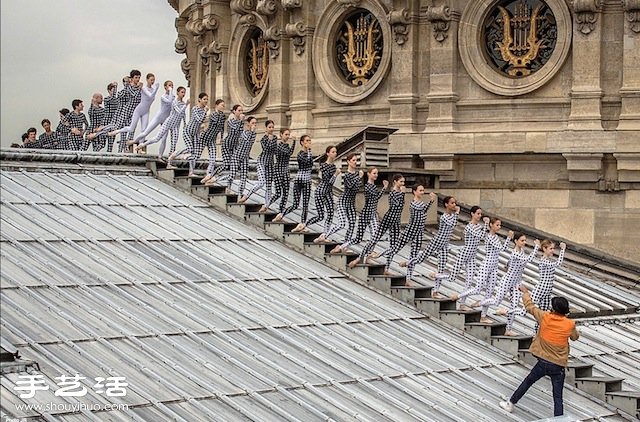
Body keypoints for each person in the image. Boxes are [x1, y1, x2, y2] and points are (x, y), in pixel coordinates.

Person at [499, 284, 579, 417]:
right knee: (557, 397)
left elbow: (530, 307)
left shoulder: (545, 317)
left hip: (543, 362)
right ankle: (558, 419)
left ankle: (510, 403)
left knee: (528, 381)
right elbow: (575, 337)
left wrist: (525, 292)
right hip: (558, 365)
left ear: (553, 308)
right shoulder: (570, 324)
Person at [480, 233, 540, 335]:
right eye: (522, 240)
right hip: (507, 280)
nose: (524, 242)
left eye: (525, 240)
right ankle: (481, 303)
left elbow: (513, 262)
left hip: (517, 282)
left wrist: (507, 265)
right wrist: (536, 247)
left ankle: (508, 329)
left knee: (514, 305)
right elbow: (528, 259)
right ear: (516, 241)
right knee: (496, 301)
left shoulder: (521, 251)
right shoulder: (515, 252)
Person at [453, 218, 513, 314]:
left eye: (499, 225)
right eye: (497, 225)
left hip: (494, 265)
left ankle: (483, 315)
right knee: (478, 289)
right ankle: (458, 296)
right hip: (487, 264)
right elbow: (501, 248)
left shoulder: (496, 237)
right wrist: (509, 238)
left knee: (490, 291)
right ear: (491, 225)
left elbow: (500, 250)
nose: (499, 227)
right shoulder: (489, 237)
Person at [403, 195, 460, 290]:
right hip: (437, 241)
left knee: (441, 266)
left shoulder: (452, 216)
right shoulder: (444, 217)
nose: (454, 205)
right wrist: (457, 213)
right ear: (446, 204)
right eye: (452, 203)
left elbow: (453, 224)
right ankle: (408, 262)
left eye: (455, 203)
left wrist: (455, 214)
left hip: (445, 243)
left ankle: (436, 290)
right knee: (421, 258)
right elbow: (452, 224)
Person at [348, 174, 405, 268]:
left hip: (396, 220)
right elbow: (396, 205)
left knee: (394, 245)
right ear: (395, 182)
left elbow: (401, 206)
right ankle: (359, 258)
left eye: (403, 182)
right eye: (401, 181)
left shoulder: (399, 192)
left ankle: (385, 266)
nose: (403, 184)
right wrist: (402, 194)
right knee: (374, 239)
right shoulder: (393, 193)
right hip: (389, 218)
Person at [384, 184, 436, 283]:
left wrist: (431, 201)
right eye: (420, 190)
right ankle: (383, 263)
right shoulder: (414, 204)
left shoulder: (420, 203)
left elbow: (424, 210)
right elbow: (421, 211)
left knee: (413, 255)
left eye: (423, 190)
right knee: (395, 249)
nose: (422, 192)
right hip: (411, 230)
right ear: (414, 191)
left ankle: (408, 278)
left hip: (419, 231)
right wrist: (430, 202)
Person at [337, 167, 387, 253]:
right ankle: (342, 247)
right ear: (369, 174)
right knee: (358, 238)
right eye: (374, 173)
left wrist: (384, 188)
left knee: (375, 236)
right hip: (366, 214)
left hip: (372, 214)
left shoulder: (373, 187)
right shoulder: (367, 186)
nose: (376, 175)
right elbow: (375, 198)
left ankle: (368, 254)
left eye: (377, 173)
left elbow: (376, 198)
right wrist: (383, 189)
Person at [444, 207, 489, 294]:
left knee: (469, 280)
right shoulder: (469, 227)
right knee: (452, 277)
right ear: (472, 214)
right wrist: (486, 224)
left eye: (480, 214)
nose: (479, 216)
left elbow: (482, 236)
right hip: (464, 253)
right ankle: (437, 276)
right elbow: (480, 236)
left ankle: (462, 303)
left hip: (472, 255)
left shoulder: (479, 226)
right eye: (478, 213)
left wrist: (484, 226)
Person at [324, 154, 363, 248]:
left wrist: (358, 179)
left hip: (351, 203)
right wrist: (359, 178)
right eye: (353, 160)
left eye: (356, 160)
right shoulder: (347, 175)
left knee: (352, 224)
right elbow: (350, 186)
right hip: (343, 202)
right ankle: (324, 235)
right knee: (341, 224)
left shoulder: (356, 174)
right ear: (348, 162)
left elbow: (357, 188)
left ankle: (345, 245)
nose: (355, 162)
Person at [138, 86, 188, 160]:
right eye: (182, 92)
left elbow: (183, 114)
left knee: (174, 143)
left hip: (176, 125)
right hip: (169, 122)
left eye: (184, 92)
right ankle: (143, 144)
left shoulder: (183, 103)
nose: (183, 94)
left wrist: (184, 123)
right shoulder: (174, 102)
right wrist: (186, 105)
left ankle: (169, 162)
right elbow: (179, 112)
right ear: (178, 93)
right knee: (157, 138)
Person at [276, 135, 314, 229]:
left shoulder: (309, 153)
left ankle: (302, 224)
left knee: (305, 204)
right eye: (306, 141)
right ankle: (281, 214)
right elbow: (305, 162)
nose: (308, 142)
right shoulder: (300, 154)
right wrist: (309, 151)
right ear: (302, 142)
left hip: (307, 181)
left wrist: (309, 152)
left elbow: (311, 163)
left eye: (309, 140)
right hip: (299, 180)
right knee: (295, 204)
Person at [302, 146, 339, 239]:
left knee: (330, 213)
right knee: (320, 215)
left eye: (335, 152)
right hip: (321, 191)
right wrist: (335, 175)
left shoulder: (333, 166)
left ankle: (325, 235)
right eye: (333, 152)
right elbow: (328, 181)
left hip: (328, 192)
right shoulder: (324, 166)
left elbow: (331, 184)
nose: (335, 154)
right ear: (328, 153)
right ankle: (303, 225)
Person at [241, 119, 277, 211]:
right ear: (266, 128)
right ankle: (246, 196)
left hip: (270, 164)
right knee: (261, 182)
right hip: (262, 162)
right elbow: (267, 149)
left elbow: (274, 150)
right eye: (269, 127)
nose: (271, 129)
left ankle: (266, 205)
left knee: (269, 186)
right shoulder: (263, 139)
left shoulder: (275, 138)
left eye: (272, 127)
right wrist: (269, 139)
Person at [168, 92, 208, 173]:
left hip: (195, 134)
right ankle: (174, 154)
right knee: (190, 149)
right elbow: (199, 119)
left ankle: (191, 172)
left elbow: (201, 122)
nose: (206, 101)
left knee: (196, 154)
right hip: (188, 132)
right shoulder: (195, 109)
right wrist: (205, 112)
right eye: (204, 99)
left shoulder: (203, 110)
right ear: (199, 100)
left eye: (207, 99)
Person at [217, 116, 257, 195]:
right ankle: (219, 180)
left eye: (255, 123)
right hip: (237, 156)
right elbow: (247, 140)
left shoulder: (253, 134)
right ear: (248, 124)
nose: (254, 125)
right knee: (232, 175)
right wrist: (252, 131)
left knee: (244, 177)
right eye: (253, 123)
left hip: (245, 157)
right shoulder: (243, 133)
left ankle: (240, 194)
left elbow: (251, 142)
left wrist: (252, 132)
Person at [133, 80, 175, 147]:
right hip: (159, 117)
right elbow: (169, 102)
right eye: (169, 85)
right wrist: (170, 91)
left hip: (166, 119)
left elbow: (173, 103)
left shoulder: (173, 96)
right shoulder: (163, 96)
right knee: (145, 133)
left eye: (172, 85)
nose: (171, 87)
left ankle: (160, 156)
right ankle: (134, 142)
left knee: (164, 139)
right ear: (165, 87)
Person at [267, 128, 295, 214]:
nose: (287, 136)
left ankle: (281, 211)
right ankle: (267, 205)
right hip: (278, 170)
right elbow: (288, 153)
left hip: (285, 170)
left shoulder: (287, 146)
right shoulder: (279, 146)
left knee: (286, 192)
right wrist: (294, 142)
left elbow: (290, 152)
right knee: (278, 193)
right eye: (286, 134)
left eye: (288, 135)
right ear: (281, 135)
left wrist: (293, 143)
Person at [199, 99, 226, 185]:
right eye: (222, 105)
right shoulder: (213, 115)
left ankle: (208, 175)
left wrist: (221, 138)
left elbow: (222, 128)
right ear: (216, 105)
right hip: (205, 136)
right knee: (196, 154)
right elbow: (217, 122)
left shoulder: (222, 116)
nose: (223, 107)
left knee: (213, 158)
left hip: (212, 139)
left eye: (223, 105)